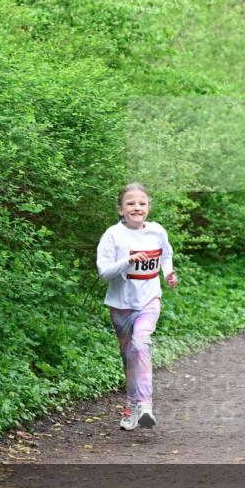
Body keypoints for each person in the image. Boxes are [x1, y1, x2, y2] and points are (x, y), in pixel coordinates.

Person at [96, 183, 178, 430]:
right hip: (121, 306)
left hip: (149, 300)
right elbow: (103, 273)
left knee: (141, 344)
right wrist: (128, 260)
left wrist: (168, 272)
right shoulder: (112, 235)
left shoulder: (156, 231)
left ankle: (145, 405)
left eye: (142, 203)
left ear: (148, 207)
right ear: (120, 209)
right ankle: (131, 405)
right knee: (128, 356)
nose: (137, 207)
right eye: (130, 203)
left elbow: (166, 255)